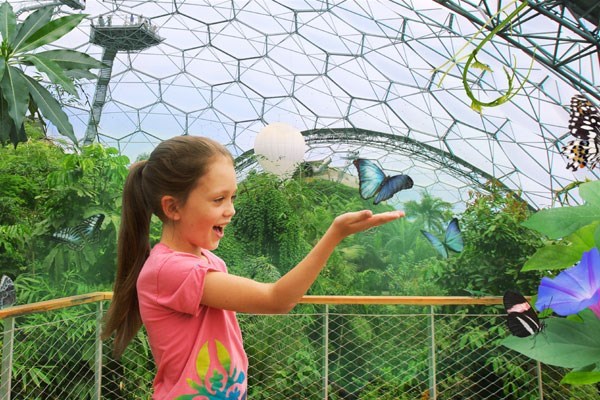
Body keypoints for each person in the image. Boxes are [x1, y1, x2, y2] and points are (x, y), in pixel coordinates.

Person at [101, 136, 404, 399]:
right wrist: (334, 234)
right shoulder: (170, 269)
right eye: (218, 199)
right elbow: (276, 299)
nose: (230, 210)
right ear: (173, 207)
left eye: (232, 197)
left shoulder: (208, 260)